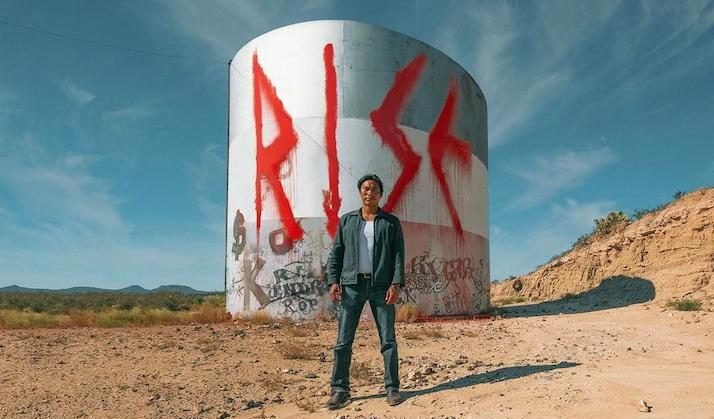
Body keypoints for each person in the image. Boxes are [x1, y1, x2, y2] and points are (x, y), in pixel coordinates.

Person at [325, 174, 406, 409]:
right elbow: (336, 253)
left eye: (374, 189)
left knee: (388, 340)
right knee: (343, 341)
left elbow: (399, 254)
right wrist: (333, 280)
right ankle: (340, 389)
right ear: (360, 192)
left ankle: (392, 388)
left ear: (380, 194)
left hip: (382, 286)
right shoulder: (347, 221)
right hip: (352, 286)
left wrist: (396, 283)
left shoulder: (390, 222)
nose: (369, 192)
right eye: (365, 188)